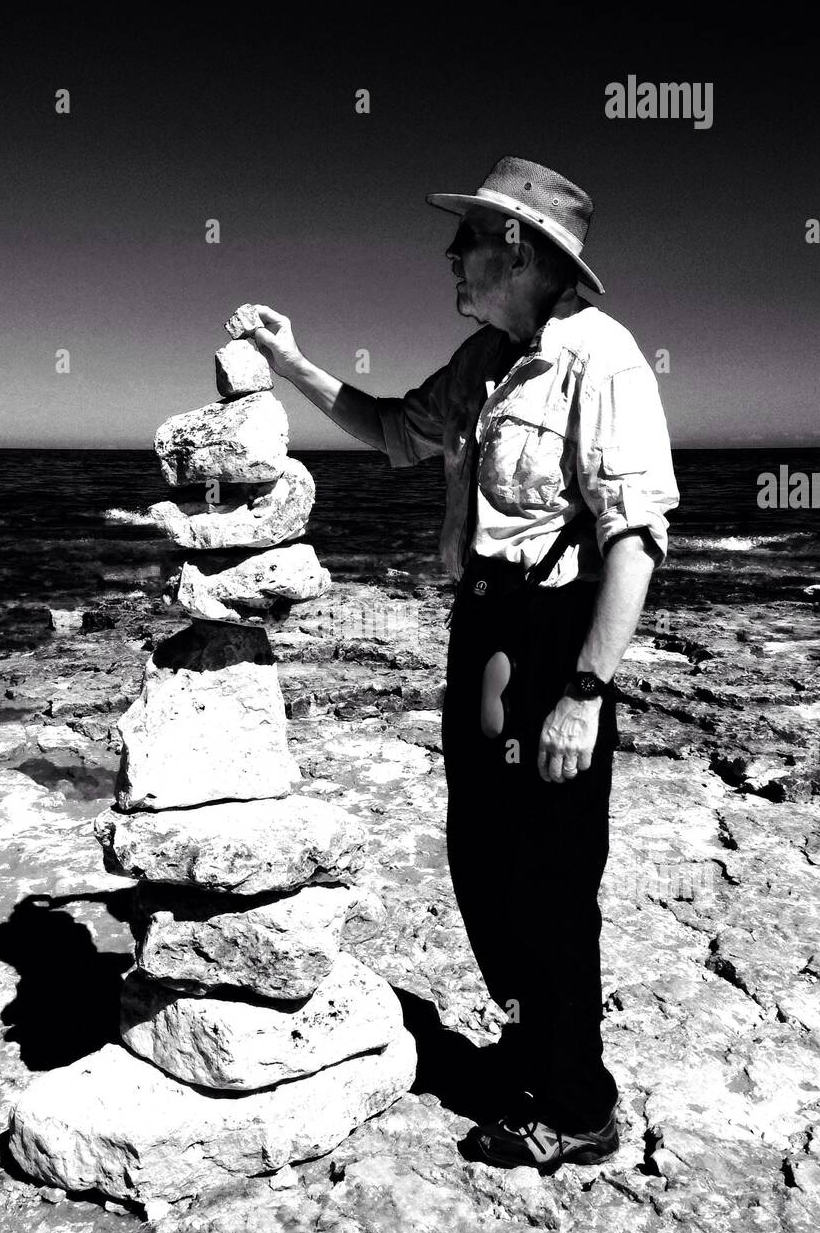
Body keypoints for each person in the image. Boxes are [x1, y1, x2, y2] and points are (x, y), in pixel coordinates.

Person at [238, 155, 680, 1173]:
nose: (451, 255)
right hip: (478, 635)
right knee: (481, 865)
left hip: (550, 642)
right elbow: (390, 429)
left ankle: (576, 1103)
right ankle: (530, 1052)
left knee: (554, 880)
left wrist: (582, 691)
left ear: (515, 248)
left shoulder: (600, 361)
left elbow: (633, 538)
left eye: (467, 238)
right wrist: (294, 360)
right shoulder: (482, 360)